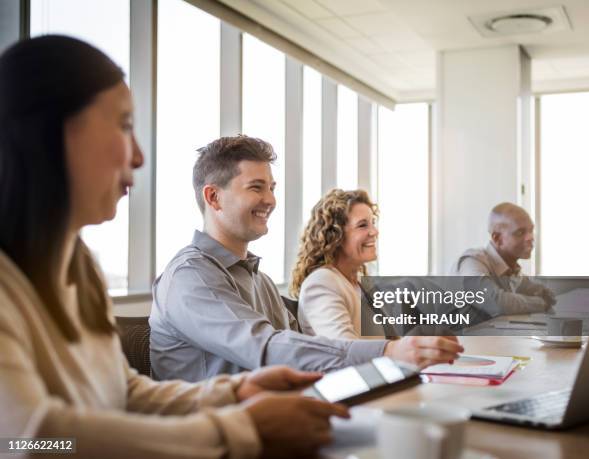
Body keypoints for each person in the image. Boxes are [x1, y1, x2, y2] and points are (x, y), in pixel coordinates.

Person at [0, 35, 350, 459]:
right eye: (124, 126)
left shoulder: (78, 266)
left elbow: (120, 391)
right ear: (52, 133)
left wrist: (234, 392)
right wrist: (235, 428)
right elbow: (28, 440)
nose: (139, 157)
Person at [149, 135, 463, 382]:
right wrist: (389, 352)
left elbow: (306, 353)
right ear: (213, 197)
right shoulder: (190, 276)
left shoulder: (261, 281)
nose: (270, 200)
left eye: (271, 188)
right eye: (256, 188)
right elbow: (267, 348)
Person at [289, 188, 383, 339]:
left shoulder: (362, 284)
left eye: (372, 223)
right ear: (335, 236)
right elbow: (346, 350)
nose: (375, 232)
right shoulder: (321, 283)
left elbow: (392, 342)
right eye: (362, 225)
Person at [450, 202, 555, 315]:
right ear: (497, 238)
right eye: (520, 232)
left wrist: (545, 295)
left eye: (531, 230)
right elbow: (494, 302)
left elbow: (545, 295)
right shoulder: (472, 262)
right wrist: (541, 303)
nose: (530, 237)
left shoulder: (512, 270)